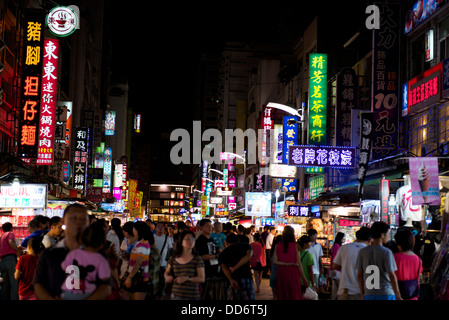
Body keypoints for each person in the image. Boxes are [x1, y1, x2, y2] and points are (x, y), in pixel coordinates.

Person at [34, 204, 112, 300]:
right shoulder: (49, 254)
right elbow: (38, 284)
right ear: (63, 221)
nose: (79, 222)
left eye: (83, 219)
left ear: (88, 223)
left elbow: (106, 286)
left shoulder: (98, 254)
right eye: (73, 218)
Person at [60, 221, 111, 300]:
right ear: (102, 244)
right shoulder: (100, 259)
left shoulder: (73, 253)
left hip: (67, 292)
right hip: (86, 293)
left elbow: (64, 267)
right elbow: (104, 277)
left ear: (82, 240)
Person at [356, 221, 402, 300]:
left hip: (369, 294)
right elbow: (391, 275)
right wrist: (397, 294)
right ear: (382, 235)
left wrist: (363, 294)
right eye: (388, 234)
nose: (388, 236)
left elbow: (360, 275)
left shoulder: (362, 252)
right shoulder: (386, 252)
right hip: (386, 293)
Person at [332, 227, 371, 300]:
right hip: (361, 292)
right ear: (370, 240)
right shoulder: (369, 252)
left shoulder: (344, 248)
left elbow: (334, 265)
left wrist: (346, 265)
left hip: (344, 291)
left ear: (356, 236)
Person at [165, 230, 205, 300]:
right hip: (176, 294)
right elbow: (167, 272)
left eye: (193, 239)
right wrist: (166, 276)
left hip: (192, 296)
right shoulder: (173, 258)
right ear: (181, 242)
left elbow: (201, 278)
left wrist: (187, 278)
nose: (191, 241)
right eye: (188, 239)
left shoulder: (197, 259)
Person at [273, 226, 309, 300]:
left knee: (282, 295)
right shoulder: (296, 246)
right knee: (294, 295)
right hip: (293, 274)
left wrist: (287, 264)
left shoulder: (277, 246)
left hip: (281, 274)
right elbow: (299, 264)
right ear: (293, 234)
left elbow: (275, 261)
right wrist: (304, 279)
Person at [219, 232, 255, 300]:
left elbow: (224, 268)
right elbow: (249, 256)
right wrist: (235, 267)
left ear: (227, 243)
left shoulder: (224, 252)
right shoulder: (246, 246)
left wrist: (231, 279)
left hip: (233, 280)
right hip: (246, 277)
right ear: (238, 240)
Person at [123, 221, 152, 300]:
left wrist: (129, 277)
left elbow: (138, 262)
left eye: (134, 229)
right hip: (136, 277)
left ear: (138, 231)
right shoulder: (139, 243)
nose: (133, 231)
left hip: (139, 278)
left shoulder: (143, 244)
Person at [393, 229, 423, 300]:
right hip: (413, 295)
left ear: (399, 243)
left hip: (397, 295)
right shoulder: (418, 259)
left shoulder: (394, 257)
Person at [195, 219, 219, 296]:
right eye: (207, 226)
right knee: (206, 294)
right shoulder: (200, 241)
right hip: (205, 271)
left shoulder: (211, 239)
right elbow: (202, 257)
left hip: (213, 271)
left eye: (210, 226)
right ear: (201, 228)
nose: (210, 228)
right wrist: (216, 255)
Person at [0, 222, 22, 300]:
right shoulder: (10, 233)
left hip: (2, 261)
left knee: (4, 284)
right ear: (11, 228)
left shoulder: (1, 236)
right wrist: (18, 250)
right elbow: (10, 241)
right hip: (10, 259)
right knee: (14, 282)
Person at [154, 222, 174, 299]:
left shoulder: (167, 238)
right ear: (155, 228)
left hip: (163, 265)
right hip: (154, 265)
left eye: (162, 226)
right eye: (158, 226)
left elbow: (170, 250)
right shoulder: (152, 238)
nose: (160, 228)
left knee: (162, 286)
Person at [330, 232, 345, 299]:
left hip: (336, 269)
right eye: (343, 238)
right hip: (336, 270)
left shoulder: (337, 245)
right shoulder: (337, 246)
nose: (343, 239)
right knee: (337, 288)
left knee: (335, 288)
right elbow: (334, 257)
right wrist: (334, 268)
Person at [269, 234, 282, 299]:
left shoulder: (272, 252)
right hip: (279, 275)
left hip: (273, 274)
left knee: (274, 296)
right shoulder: (280, 252)